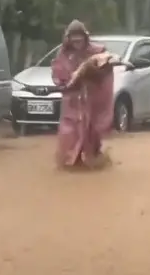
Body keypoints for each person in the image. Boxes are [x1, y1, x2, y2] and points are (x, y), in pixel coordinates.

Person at [51, 20, 125, 169]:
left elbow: (105, 70)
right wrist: (67, 82)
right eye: (74, 38)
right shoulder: (63, 54)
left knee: (91, 132)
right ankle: (69, 163)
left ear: (85, 38)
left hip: (91, 101)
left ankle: (94, 161)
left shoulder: (98, 52)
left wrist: (92, 72)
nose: (77, 42)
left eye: (80, 38)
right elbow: (58, 73)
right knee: (69, 133)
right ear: (68, 39)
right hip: (72, 102)